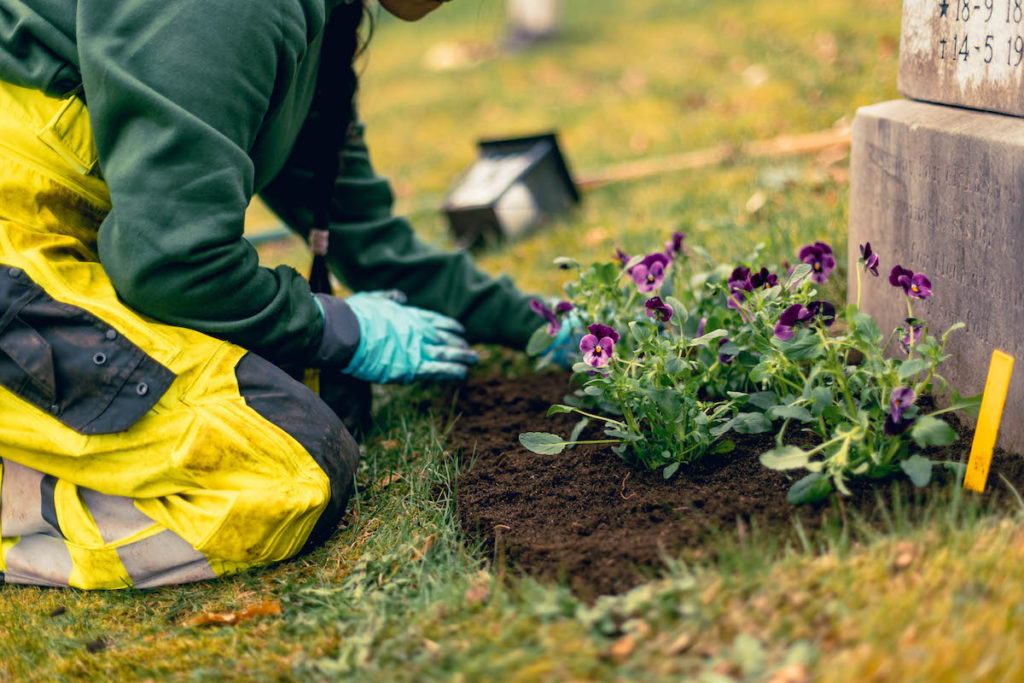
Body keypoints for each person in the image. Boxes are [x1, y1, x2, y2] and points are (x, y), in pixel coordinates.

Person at [0, 0, 545, 589]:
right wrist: (334, 326)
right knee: (284, 473)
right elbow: (171, 265)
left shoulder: (327, 21)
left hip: (61, 256)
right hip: (18, 253)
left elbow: (374, 242)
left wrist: (548, 323)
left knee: (311, 393)